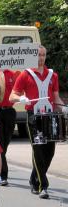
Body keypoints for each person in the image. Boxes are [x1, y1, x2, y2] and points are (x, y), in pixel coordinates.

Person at [9, 45, 67, 199]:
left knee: (50, 152)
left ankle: (34, 179)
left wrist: (63, 108)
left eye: (43, 55)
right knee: (39, 151)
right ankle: (43, 186)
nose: (41, 58)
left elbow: (55, 97)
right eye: (38, 55)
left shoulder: (52, 75)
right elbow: (12, 96)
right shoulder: (25, 75)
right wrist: (20, 98)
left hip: (50, 116)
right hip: (34, 117)